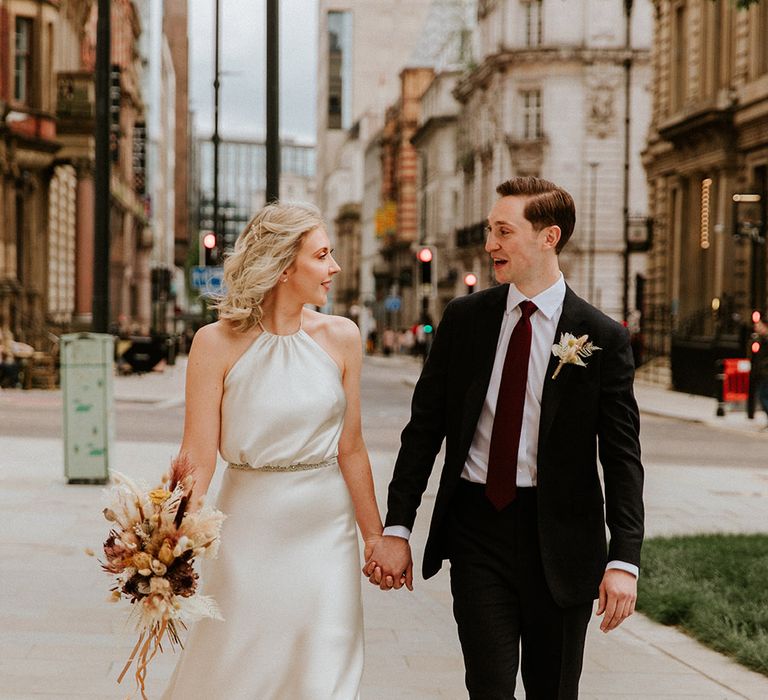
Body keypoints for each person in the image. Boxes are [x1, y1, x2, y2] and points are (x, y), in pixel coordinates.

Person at [365, 176, 644, 699]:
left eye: (503, 231)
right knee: (488, 687)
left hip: (562, 543)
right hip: (477, 531)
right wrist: (397, 527)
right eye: (491, 230)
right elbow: (423, 429)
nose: (490, 244)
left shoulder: (602, 337)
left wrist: (623, 560)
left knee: (552, 690)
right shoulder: (464, 320)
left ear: (548, 237)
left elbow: (623, 458)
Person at [162, 201, 384, 699]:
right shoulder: (213, 343)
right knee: (239, 669)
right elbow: (197, 455)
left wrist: (375, 538)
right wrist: (164, 545)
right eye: (323, 255)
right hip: (248, 531)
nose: (335, 267)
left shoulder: (342, 338)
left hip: (327, 531)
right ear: (285, 266)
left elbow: (351, 447)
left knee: (325, 670)